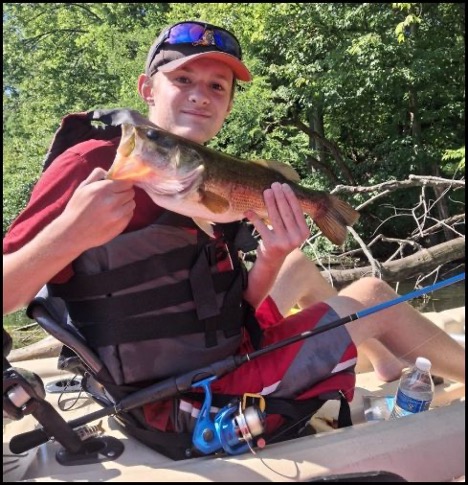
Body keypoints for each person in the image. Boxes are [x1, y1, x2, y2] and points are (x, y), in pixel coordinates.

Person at [3, 21, 464, 455]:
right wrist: (69, 234)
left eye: (216, 87)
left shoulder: (206, 182)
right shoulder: (92, 164)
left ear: (227, 105)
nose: (200, 96)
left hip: (211, 349)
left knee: (297, 265)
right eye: (183, 79)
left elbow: (229, 307)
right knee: (372, 296)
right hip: (184, 398)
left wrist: (274, 253)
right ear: (147, 89)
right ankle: (386, 345)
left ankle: (383, 362)